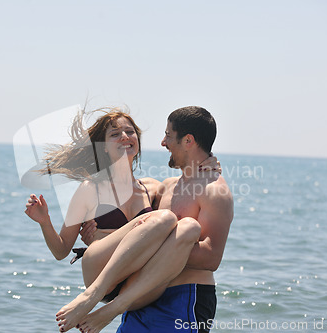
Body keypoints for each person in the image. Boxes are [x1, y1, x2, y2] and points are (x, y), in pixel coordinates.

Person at [24, 107, 220, 332]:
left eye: (130, 132)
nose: (125, 137)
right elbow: (61, 251)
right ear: (104, 147)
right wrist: (44, 222)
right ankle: (90, 296)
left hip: (135, 286)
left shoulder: (152, 188)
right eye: (115, 134)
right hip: (99, 273)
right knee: (164, 218)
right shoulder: (90, 189)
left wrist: (210, 162)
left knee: (189, 227)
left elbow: (186, 182)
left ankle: (111, 311)